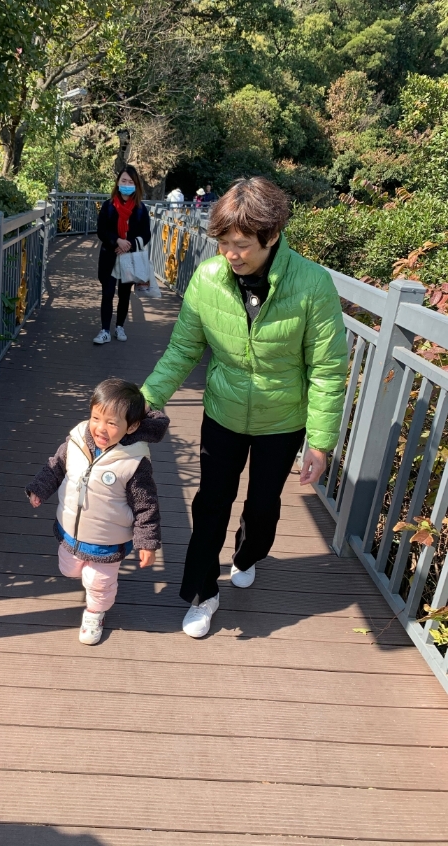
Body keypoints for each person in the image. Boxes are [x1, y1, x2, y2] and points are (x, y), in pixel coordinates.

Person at [141, 176, 347, 638]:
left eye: (241, 245)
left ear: (272, 236)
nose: (230, 254)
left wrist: (320, 442)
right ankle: (203, 593)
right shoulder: (209, 278)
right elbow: (182, 351)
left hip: (283, 420)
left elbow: (328, 369)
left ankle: (249, 553)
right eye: (224, 244)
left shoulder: (313, 284)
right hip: (223, 413)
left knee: (263, 507)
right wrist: (145, 400)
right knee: (210, 503)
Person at [26, 378, 169, 645]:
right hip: (70, 530)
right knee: (69, 569)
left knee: (98, 581)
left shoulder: (134, 461)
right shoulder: (78, 439)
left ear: (133, 426)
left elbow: (146, 505)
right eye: (96, 418)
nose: (101, 429)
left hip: (108, 539)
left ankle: (95, 612)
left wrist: (147, 543)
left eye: (112, 423)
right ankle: (90, 582)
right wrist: (39, 488)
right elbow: (56, 465)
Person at [93, 165, 151, 345]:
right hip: (110, 256)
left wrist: (129, 244)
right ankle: (104, 330)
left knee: (125, 294)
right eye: (123, 180)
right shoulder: (108, 206)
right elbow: (101, 231)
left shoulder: (141, 209)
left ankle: (119, 326)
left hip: (129, 257)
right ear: (118, 182)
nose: (126, 184)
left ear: (136, 185)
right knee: (108, 293)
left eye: (130, 181)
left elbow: (146, 234)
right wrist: (117, 241)